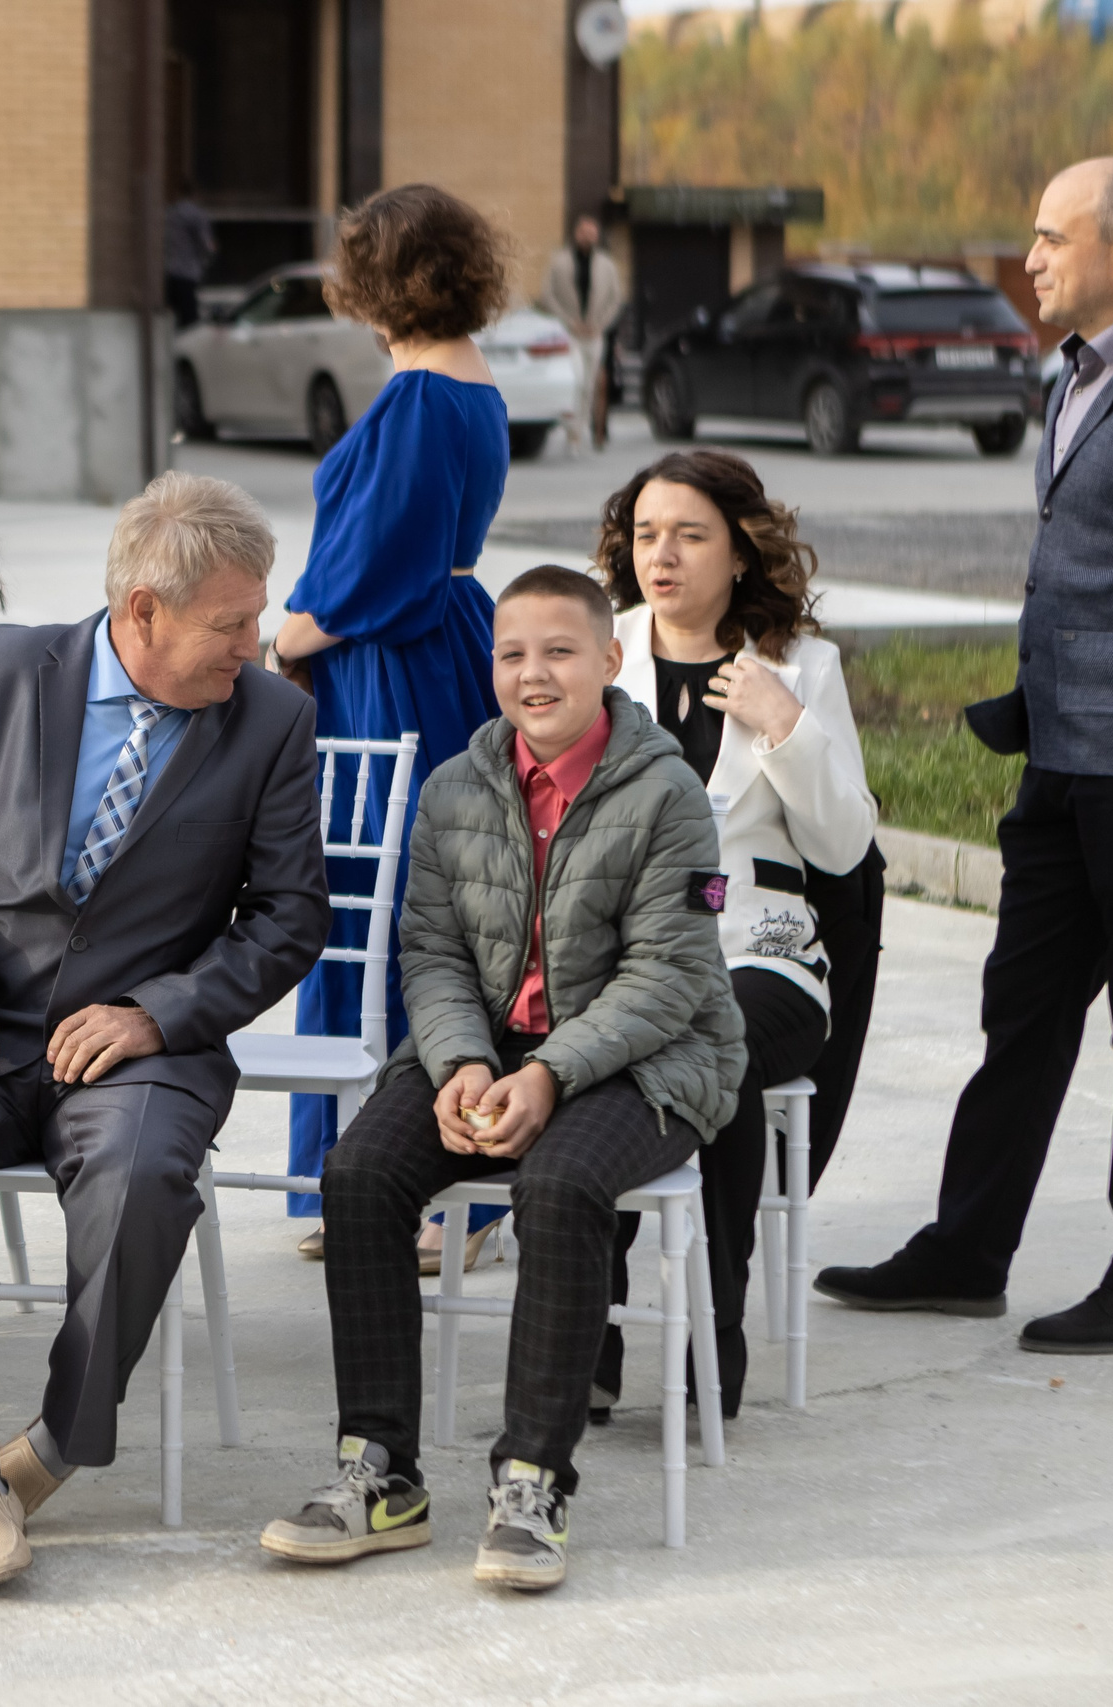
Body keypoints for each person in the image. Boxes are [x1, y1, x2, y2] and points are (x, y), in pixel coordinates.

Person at [816, 157, 1113, 1354]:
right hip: (1065, 758)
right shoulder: (1076, 376)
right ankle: (967, 1249)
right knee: (1022, 1010)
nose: (1027, 258)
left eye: (1049, 237)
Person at [0, 470, 330, 1593]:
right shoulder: (1, 670)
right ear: (142, 610)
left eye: (255, 616)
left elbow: (292, 918)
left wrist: (161, 1014)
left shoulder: (273, 719)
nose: (253, 641)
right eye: (230, 623)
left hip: (141, 1048)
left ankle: (51, 1444)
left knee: (146, 1177)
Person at [258, 566, 744, 1594]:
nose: (534, 674)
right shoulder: (454, 786)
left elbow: (668, 979)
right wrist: (462, 1061)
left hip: (645, 1061)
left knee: (558, 1188)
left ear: (611, 662)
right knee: (357, 1175)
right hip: (485, 1052)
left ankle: (531, 1480)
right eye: (512, 653)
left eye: (560, 651)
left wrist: (552, 1076)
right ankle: (378, 1469)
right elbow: (427, 954)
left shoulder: (668, 793)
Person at [596, 450, 877, 1417]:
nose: (660, 556)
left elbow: (845, 846)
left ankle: (708, 1341)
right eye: (645, 535)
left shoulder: (802, 666)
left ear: (741, 550)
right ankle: (588, 1325)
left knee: (710, 1039)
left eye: (688, 534)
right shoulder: (598, 652)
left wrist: (785, 724)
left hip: (764, 947)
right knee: (621, 1042)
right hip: (620, 952)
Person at [269, 183, 513, 1263]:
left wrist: (282, 641)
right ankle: (376, 1177)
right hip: (425, 649)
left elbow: (377, 568)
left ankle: (433, 1188)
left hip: (393, 668)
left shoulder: (422, 398)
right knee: (401, 915)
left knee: (392, 914)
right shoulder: (469, 385)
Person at [539, 214, 626, 452]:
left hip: (595, 333)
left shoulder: (606, 265)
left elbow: (615, 299)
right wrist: (569, 322)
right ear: (576, 234)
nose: (587, 237)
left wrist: (600, 324)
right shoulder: (560, 262)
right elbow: (548, 296)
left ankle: (579, 431)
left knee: (589, 384)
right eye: (583, 232)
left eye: (592, 233)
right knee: (575, 380)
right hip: (571, 333)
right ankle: (571, 432)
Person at [164, 178, 218, 330]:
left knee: (170, 318)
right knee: (190, 321)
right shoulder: (196, 214)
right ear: (194, 193)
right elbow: (207, 245)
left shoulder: (170, 212)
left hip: (169, 271)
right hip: (187, 273)